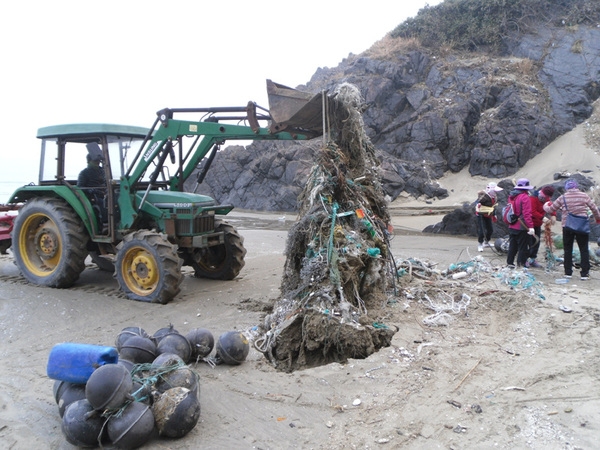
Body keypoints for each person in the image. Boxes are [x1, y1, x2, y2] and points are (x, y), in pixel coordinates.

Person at [543, 178, 600, 280]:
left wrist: (545, 206)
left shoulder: (563, 197)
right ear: (576, 186)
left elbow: (551, 209)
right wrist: (597, 219)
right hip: (582, 225)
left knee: (568, 249)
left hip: (567, 226)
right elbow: (594, 208)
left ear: (566, 188)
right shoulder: (584, 196)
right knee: (584, 250)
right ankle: (584, 274)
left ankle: (568, 273)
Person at [506, 178, 535, 268]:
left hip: (512, 225)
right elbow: (527, 214)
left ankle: (510, 263)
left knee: (512, 245)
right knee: (523, 246)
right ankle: (521, 265)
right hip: (521, 226)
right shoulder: (525, 197)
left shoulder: (511, 196)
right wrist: (530, 227)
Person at [527, 185, 555, 268]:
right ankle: (525, 259)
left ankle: (532, 259)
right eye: (545, 196)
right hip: (529, 224)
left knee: (537, 241)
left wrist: (553, 215)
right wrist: (543, 218)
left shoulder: (547, 199)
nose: (546, 198)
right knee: (528, 242)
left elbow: (551, 207)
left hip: (538, 224)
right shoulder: (532, 198)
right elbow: (532, 211)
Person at [475, 182, 502, 251]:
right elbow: (477, 202)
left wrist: (494, 214)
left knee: (490, 230)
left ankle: (486, 242)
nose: (496, 192)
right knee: (482, 230)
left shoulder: (494, 197)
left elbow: (493, 207)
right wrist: (478, 207)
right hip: (481, 214)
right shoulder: (484, 196)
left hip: (488, 214)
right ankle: (480, 244)